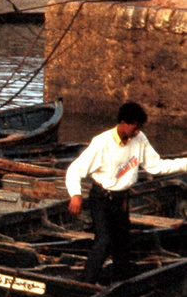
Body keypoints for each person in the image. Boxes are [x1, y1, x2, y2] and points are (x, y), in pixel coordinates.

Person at [67, 101, 187, 282]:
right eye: (135, 127)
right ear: (123, 122)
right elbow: (75, 170)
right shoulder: (102, 143)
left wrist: (185, 163)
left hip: (121, 199)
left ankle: (120, 283)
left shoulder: (139, 139)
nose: (137, 132)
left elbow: (156, 167)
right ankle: (86, 283)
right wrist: (75, 195)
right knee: (104, 241)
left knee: (123, 245)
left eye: (139, 128)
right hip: (101, 198)